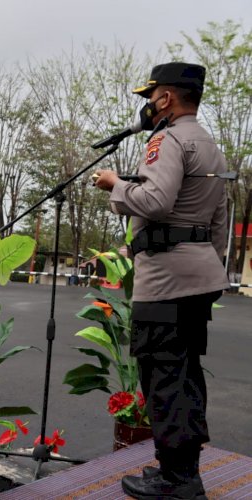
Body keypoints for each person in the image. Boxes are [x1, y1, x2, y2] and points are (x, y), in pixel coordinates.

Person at [94, 62, 228, 499]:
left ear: (166, 98)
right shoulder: (209, 144)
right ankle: (180, 468)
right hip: (198, 275)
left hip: (166, 280)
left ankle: (178, 480)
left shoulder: (166, 138)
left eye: (151, 97)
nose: (149, 106)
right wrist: (211, 264)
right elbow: (219, 219)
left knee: (163, 376)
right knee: (185, 374)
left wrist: (115, 184)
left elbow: (154, 200)